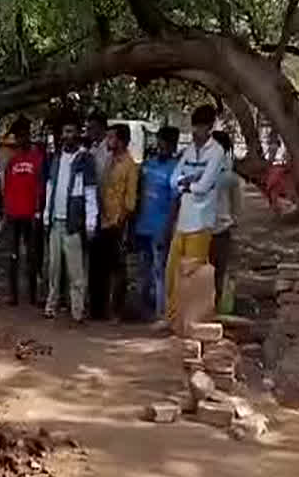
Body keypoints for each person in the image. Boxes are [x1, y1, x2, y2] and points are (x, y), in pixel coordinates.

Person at [165, 104, 227, 323]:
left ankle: (191, 321)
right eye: (194, 126)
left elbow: (204, 187)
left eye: (200, 126)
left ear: (210, 127)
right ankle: (173, 319)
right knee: (172, 273)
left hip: (201, 223)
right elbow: (173, 180)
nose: (195, 131)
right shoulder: (189, 151)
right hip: (183, 220)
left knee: (194, 274)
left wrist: (188, 183)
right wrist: (190, 181)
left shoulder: (217, 152)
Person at [42, 113, 98, 322]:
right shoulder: (56, 158)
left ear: (78, 134)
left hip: (73, 222)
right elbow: (50, 187)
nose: (68, 136)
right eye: (65, 132)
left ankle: (77, 310)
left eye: (71, 132)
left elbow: (91, 192)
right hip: (56, 220)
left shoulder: (85, 159)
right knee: (54, 267)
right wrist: (47, 215)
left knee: (76, 271)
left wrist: (91, 221)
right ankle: (51, 305)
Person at [89, 123, 138, 321]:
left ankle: (116, 311)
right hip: (101, 220)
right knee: (98, 268)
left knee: (117, 269)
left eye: (111, 138)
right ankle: (97, 310)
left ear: (122, 141)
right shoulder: (108, 161)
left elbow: (130, 201)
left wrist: (120, 223)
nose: (108, 141)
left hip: (116, 224)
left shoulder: (129, 166)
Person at [132, 126, 180, 321]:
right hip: (143, 226)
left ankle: (162, 313)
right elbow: (138, 194)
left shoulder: (176, 169)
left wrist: (168, 228)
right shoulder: (147, 165)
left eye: (165, 143)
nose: (160, 146)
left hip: (160, 228)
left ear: (172, 145)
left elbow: (175, 202)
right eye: (159, 142)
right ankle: (143, 310)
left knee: (160, 271)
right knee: (143, 271)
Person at [2, 115, 44, 305]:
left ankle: (33, 295)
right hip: (13, 214)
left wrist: (38, 211)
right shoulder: (12, 161)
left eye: (24, 135)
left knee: (32, 255)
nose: (21, 139)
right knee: (13, 255)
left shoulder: (38, 159)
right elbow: (7, 188)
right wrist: (5, 212)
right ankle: (13, 295)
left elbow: (40, 188)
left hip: (31, 214)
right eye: (18, 136)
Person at [210, 129, 242, 310]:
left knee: (218, 273)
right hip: (202, 226)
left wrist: (234, 221)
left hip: (221, 228)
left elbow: (237, 201)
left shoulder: (229, 172)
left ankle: (215, 308)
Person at [86, 111, 112, 185]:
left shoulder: (111, 148)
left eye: (92, 128)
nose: (88, 132)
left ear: (101, 127)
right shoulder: (92, 148)